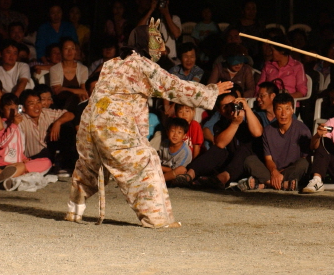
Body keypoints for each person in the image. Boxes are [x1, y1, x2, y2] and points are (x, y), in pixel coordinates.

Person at [65, 21, 232, 228]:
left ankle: (74, 208)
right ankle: (156, 219)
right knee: (146, 162)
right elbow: (174, 86)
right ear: (146, 43)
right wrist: (211, 91)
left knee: (89, 166)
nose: (163, 49)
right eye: (158, 43)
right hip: (114, 126)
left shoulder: (112, 63)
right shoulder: (143, 66)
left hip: (91, 124)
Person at [185, 92, 263, 188]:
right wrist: (235, 124)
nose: (230, 108)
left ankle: (220, 180)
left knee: (243, 150)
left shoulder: (251, 115)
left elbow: (257, 133)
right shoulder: (220, 123)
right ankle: (189, 175)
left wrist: (246, 108)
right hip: (232, 164)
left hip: (250, 163)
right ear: (219, 110)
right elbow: (220, 144)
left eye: (232, 103)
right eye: (225, 106)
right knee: (217, 150)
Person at [240, 93, 311, 191]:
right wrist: (274, 172)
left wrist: (281, 174)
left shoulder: (302, 130)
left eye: (287, 108)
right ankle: (284, 185)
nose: (283, 113)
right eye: (279, 109)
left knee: (303, 164)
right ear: (274, 111)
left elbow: (304, 158)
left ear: (292, 110)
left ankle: (265, 184)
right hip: (272, 171)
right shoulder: (268, 131)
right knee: (250, 160)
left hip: (290, 171)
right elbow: (268, 159)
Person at [0, 93, 53, 181]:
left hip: (17, 164)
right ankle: (10, 175)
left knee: (47, 161)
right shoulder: (0, 124)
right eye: (9, 109)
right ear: (1, 110)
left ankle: (14, 175)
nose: (13, 112)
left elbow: (18, 148)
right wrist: (14, 124)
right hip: (3, 164)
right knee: (22, 167)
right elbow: (1, 143)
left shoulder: (17, 125)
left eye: (16, 109)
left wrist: (24, 158)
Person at [136, 0, 182, 64]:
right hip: (153, 61)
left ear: (167, 2)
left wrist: (166, 13)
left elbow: (176, 34)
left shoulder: (174, 18)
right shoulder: (149, 19)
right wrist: (151, 9)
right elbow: (138, 30)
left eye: (161, 1)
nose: (159, 4)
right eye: (156, 1)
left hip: (171, 60)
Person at [50, 37, 89, 110]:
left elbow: (84, 91)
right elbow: (57, 91)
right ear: (61, 51)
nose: (70, 51)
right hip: (61, 102)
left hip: (78, 101)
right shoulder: (54, 69)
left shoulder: (83, 69)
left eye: (72, 48)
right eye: (66, 48)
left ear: (75, 51)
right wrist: (77, 91)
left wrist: (64, 88)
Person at [159, 117, 193, 185]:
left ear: (184, 136)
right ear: (167, 132)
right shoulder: (164, 144)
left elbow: (176, 170)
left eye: (179, 132)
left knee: (181, 170)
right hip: (160, 170)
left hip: (173, 174)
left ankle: (159, 181)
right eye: (173, 131)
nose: (175, 135)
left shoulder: (185, 152)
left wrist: (159, 167)